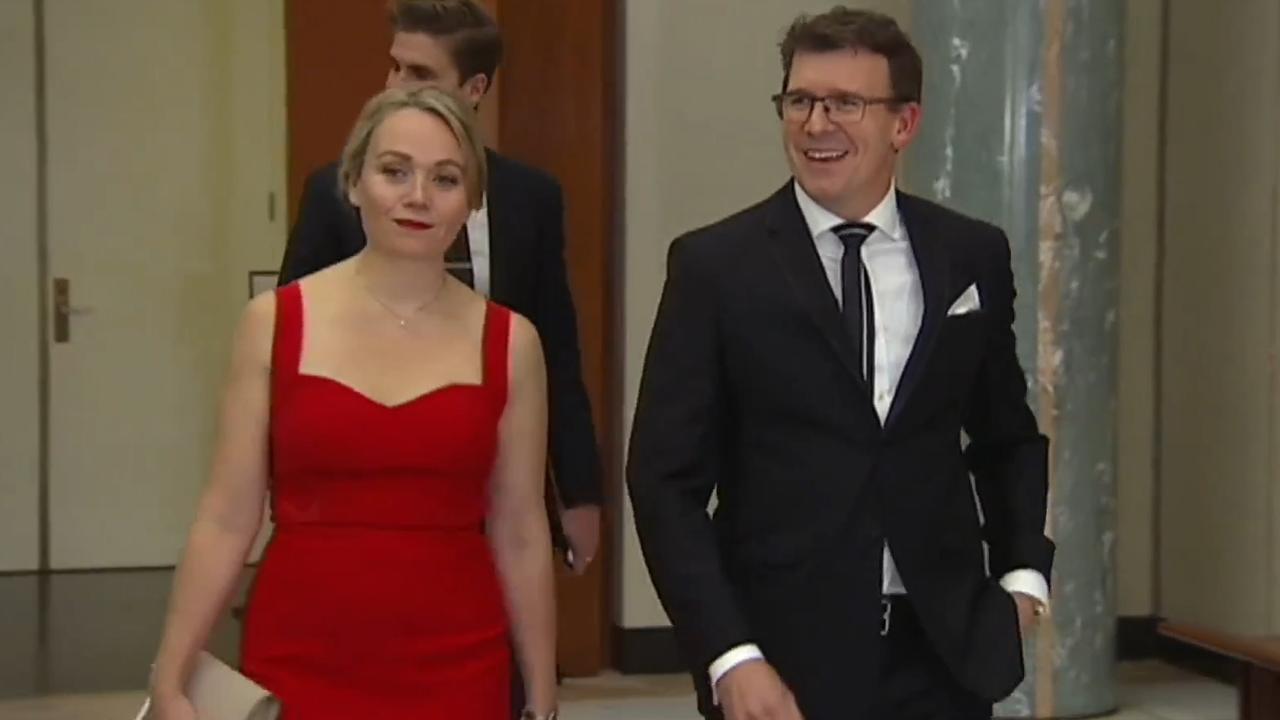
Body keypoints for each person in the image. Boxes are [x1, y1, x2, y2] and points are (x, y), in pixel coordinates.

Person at [627, 7, 1053, 720]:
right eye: (800, 100)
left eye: (845, 103)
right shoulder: (716, 268)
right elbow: (662, 480)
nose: (816, 123)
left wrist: (1022, 579)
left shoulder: (969, 254)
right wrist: (729, 654)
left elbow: (1006, 436)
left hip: (944, 651)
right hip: (782, 661)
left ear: (903, 124)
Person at [147, 87, 558, 719]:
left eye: (444, 178)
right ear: (354, 182)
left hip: (459, 661)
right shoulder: (275, 323)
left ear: (472, 200)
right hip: (300, 654)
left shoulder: (511, 343)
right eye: (394, 171)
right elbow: (227, 517)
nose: (417, 196)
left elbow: (521, 531)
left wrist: (542, 692)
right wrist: (172, 674)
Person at [279, 0, 603, 581]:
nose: (395, 87)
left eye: (421, 74)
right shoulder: (337, 193)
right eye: (395, 67)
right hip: (365, 484)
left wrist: (579, 491)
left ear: (474, 87)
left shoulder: (530, 199)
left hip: (491, 479)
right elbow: (292, 350)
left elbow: (557, 350)